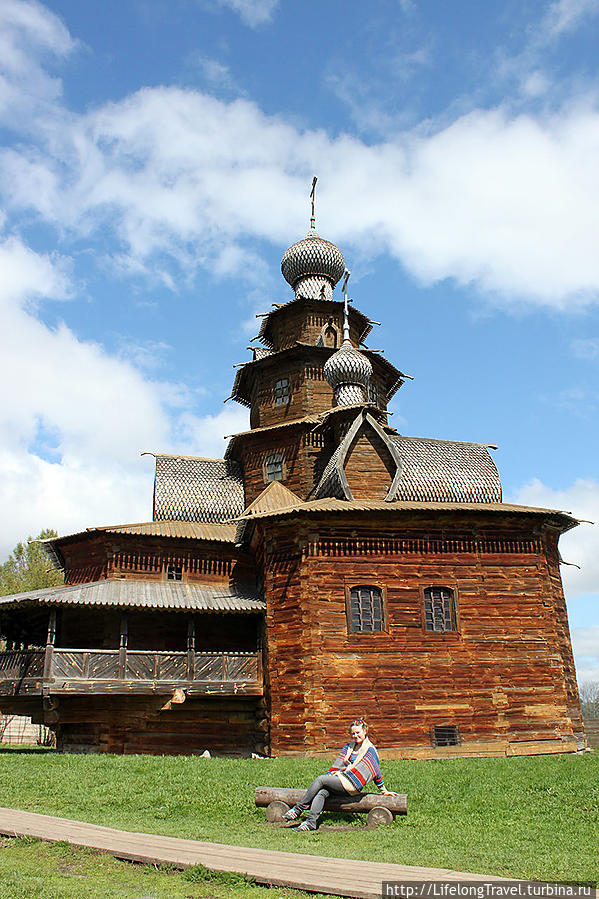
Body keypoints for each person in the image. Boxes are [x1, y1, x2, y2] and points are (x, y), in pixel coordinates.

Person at [282, 717, 396, 831]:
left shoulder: (370, 750)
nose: (355, 736)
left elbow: (376, 771)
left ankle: (298, 809)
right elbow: (337, 766)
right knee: (322, 793)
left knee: (321, 779)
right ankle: (311, 822)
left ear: (365, 731)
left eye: (358, 733)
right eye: (353, 733)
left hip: (352, 785)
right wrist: (334, 775)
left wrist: (384, 791)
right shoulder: (348, 747)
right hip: (340, 781)